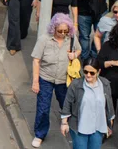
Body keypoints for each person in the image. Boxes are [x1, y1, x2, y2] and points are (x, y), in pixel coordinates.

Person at [31, 13, 81, 147]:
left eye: (66, 31)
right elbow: (36, 60)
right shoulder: (44, 40)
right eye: (60, 31)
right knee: (43, 108)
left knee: (66, 104)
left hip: (64, 79)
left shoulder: (71, 38)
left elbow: (79, 49)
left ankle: (68, 125)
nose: (63, 34)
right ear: (54, 28)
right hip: (46, 78)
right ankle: (40, 134)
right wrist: (35, 81)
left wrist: (74, 54)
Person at [60, 58, 115, 148]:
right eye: (85, 72)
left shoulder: (105, 84)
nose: (88, 75)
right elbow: (67, 103)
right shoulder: (76, 84)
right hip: (80, 126)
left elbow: (109, 103)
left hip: (98, 127)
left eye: (92, 73)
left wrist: (109, 123)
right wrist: (64, 123)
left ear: (98, 71)